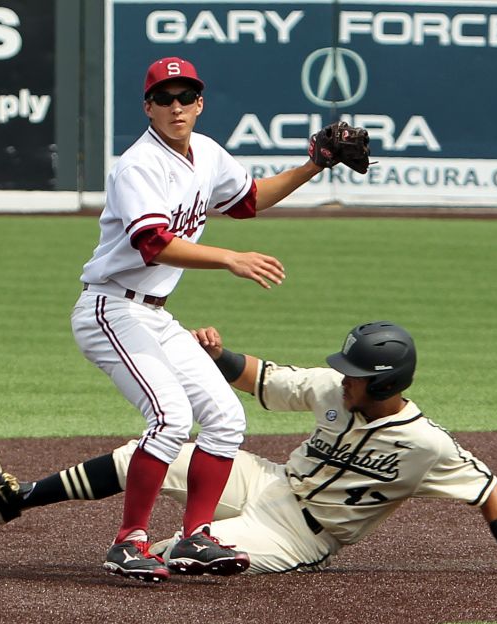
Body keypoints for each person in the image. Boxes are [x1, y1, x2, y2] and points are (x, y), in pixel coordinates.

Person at [55, 55, 361, 582]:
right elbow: (151, 244)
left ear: (200, 103)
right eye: (164, 98)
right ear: (148, 106)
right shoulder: (137, 165)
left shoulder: (207, 153)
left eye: (185, 97)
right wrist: (230, 258)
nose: (176, 107)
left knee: (225, 417)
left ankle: (195, 537)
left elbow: (248, 200)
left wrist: (315, 165)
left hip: (153, 314)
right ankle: (128, 541)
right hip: (110, 308)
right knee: (171, 418)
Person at [0, 321, 497, 579]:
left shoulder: (425, 445)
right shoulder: (333, 391)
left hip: (301, 536)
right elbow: (261, 378)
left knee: (177, 555)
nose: (345, 378)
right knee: (150, 454)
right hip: (268, 481)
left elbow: (487, 488)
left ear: (386, 384)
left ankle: (153, 551)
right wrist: (215, 355)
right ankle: (15, 499)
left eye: (358, 374)